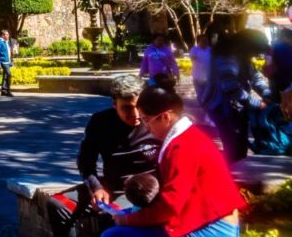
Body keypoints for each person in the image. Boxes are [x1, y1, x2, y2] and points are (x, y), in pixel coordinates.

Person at [103, 84, 244, 237]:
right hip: (202, 218)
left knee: (114, 235)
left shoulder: (184, 148)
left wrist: (129, 220)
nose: (147, 128)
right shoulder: (186, 138)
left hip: (212, 226)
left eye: (146, 120)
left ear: (165, 117)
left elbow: (170, 206)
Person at [47, 75, 160, 237]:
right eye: (127, 108)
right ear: (115, 105)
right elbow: (85, 161)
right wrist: (96, 188)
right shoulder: (100, 122)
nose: (135, 114)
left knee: (108, 216)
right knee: (57, 204)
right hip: (109, 187)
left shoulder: (155, 121)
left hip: (140, 194)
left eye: (138, 106)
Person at [203, 29, 271, 163]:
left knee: (240, 146)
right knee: (233, 149)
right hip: (222, 108)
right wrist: (258, 104)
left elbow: (255, 76)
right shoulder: (225, 58)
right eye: (255, 51)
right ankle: (233, 177)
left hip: (237, 108)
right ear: (247, 46)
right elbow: (231, 88)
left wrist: (266, 93)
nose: (256, 55)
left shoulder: (242, 56)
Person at [189, 33, 212, 104]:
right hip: (197, 76)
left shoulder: (210, 49)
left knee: (208, 94)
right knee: (200, 94)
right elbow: (193, 57)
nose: (205, 42)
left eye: (206, 40)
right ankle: (201, 108)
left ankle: (207, 109)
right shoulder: (194, 49)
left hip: (209, 77)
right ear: (198, 41)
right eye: (203, 40)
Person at [0, 29, 13, 97]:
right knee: (9, 74)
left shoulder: (6, 41)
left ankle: (3, 91)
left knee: (5, 76)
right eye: (6, 34)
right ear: (2, 35)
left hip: (7, 61)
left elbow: (8, 51)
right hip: (3, 61)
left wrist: (11, 61)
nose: (8, 36)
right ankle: (8, 91)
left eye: (8, 34)